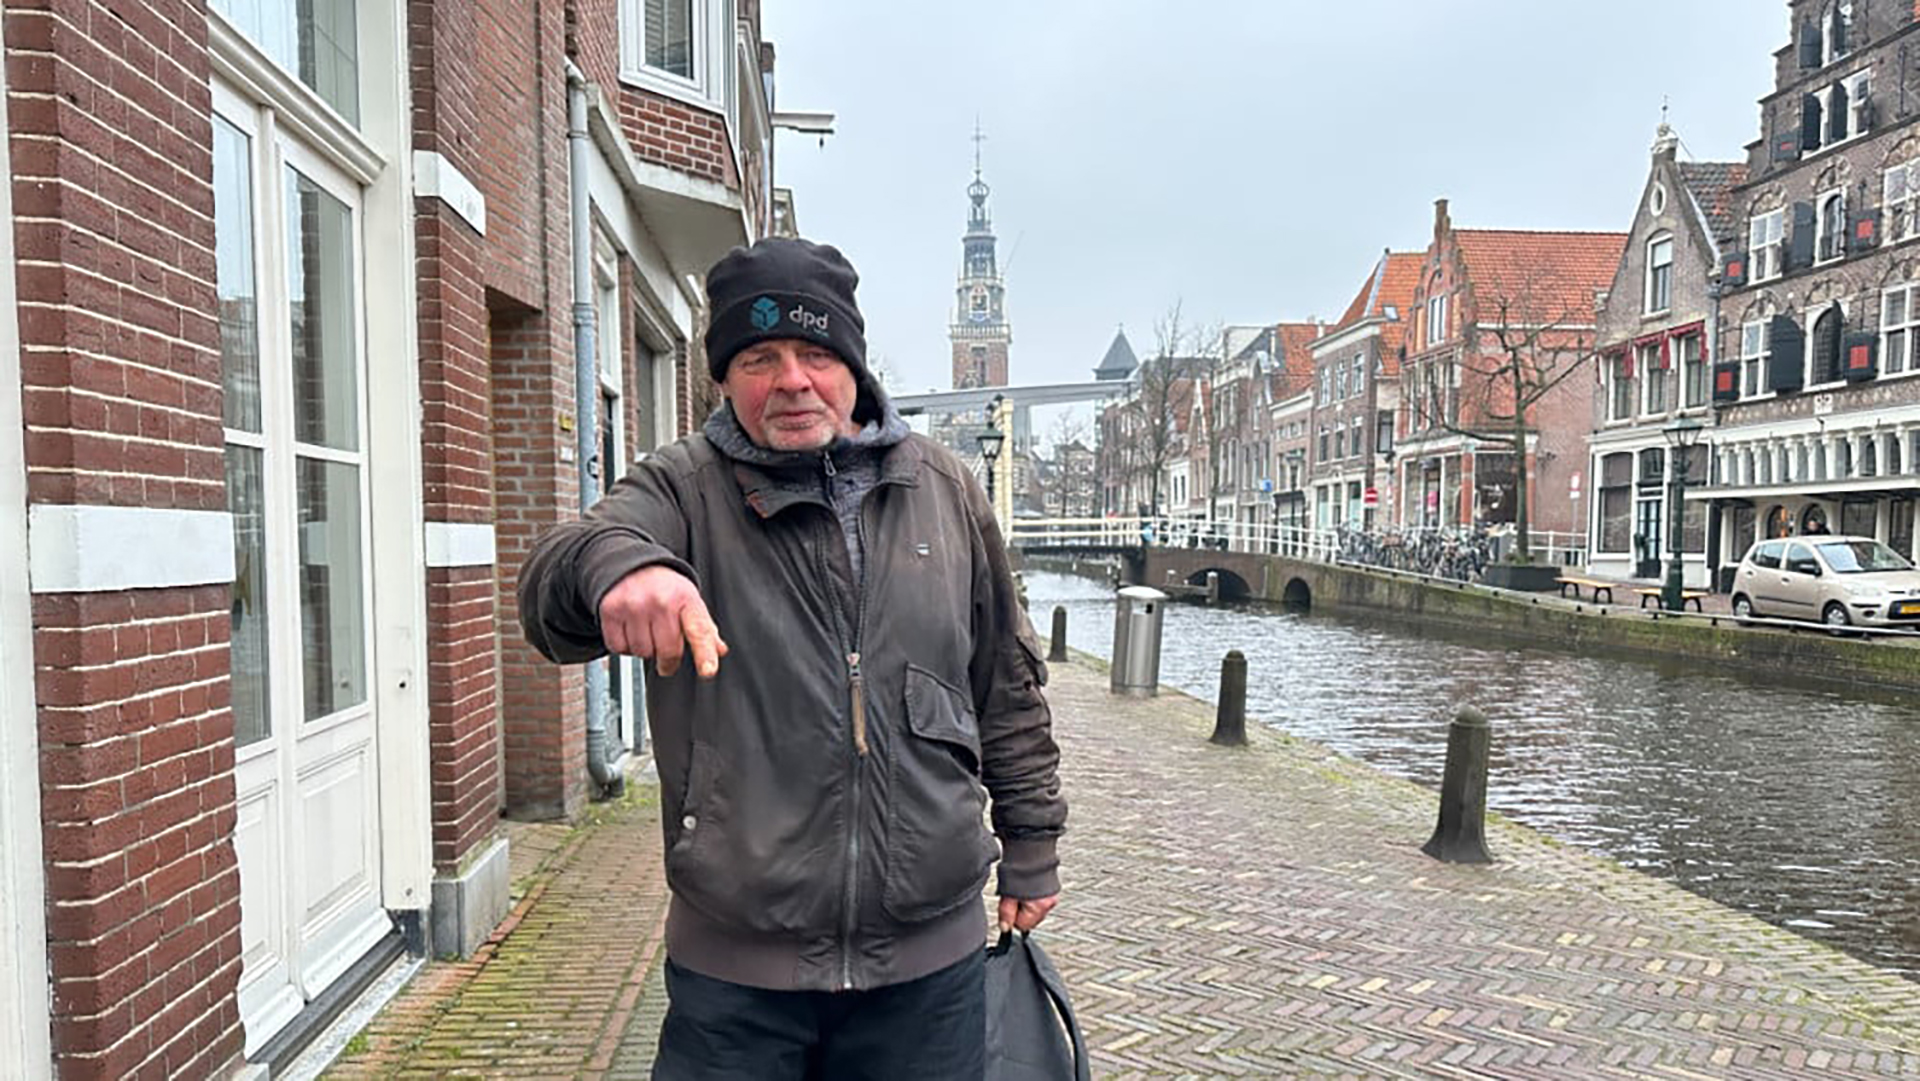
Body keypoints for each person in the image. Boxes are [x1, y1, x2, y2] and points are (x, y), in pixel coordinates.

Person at [517, 237, 1067, 1080]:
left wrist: (1030, 843)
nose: (792, 380)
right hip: (735, 980)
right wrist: (623, 569)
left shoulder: (948, 491)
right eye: (759, 357)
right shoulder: (682, 489)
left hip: (928, 966)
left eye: (815, 352)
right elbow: (557, 574)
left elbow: (1006, 685)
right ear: (723, 377)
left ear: (853, 360)